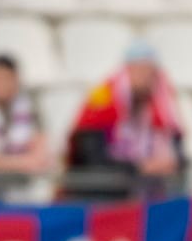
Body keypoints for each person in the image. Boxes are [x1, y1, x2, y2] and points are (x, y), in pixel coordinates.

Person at [66, 41, 183, 197]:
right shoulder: (102, 100)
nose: (145, 78)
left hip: (146, 192)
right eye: (139, 70)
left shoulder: (162, 107)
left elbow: (177, 152)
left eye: (150, 72)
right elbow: (91, 158)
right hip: (103, 193)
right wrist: (139, 167)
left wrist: (169, 163)